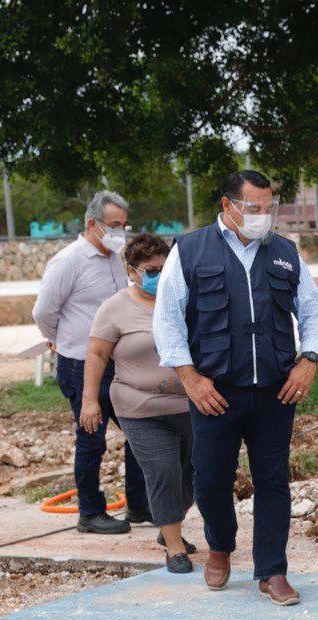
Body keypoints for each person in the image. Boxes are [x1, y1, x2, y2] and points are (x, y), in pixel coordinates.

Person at [153, 170, 318, 606]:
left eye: (269, 208)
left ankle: (272, 571)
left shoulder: (285, 252)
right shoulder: (190, 251)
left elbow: (313, 311)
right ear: (228, 204)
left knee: (273, 481)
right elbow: (168, 320)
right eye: (254, 208)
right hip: (215, 393)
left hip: (274, 391)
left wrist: (308, 361)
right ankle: (220, 548)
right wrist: (190, 379)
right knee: (211, 480)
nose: (262, 216)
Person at [32, 190, 149, 534]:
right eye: (114, 225)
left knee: (139, 431)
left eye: (124, 225)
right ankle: (90, 512)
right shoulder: (68, 261)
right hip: (82, 364)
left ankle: (140, 504)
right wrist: (63, 340)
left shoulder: (116, 258)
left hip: (118, 363)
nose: (120, 232)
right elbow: (43, 312)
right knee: (91, 437)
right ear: (91, 224)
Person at [81, 234, 195, 574]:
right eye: (150, 269)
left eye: (165, 268)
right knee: (162, 470)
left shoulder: (184, 300)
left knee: (197, 474)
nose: (159, 275)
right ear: (132, 271)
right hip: (140, 405)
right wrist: (89, 400)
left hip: (191, 404)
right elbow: (97, 353)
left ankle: (169, 522)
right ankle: (174, 546)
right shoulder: (115, 307)